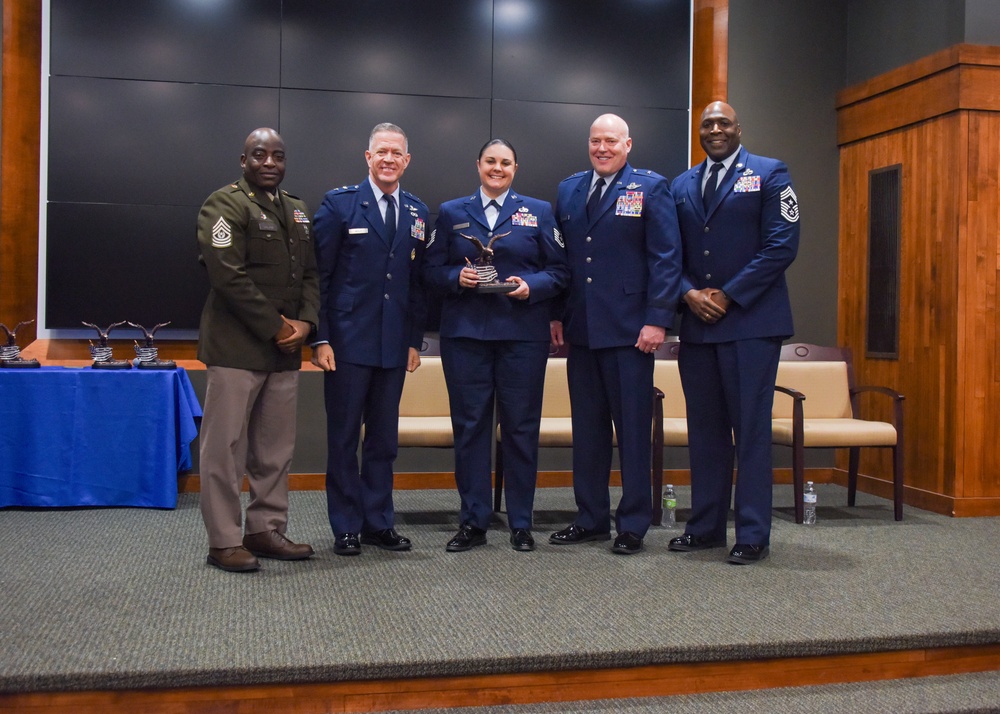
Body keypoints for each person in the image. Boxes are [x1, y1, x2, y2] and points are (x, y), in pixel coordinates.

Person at [668, 101, 800, 565]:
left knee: (750, 433)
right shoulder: (681, 184)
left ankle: (752, 533)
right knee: (704, 434)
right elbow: (669, 254)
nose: (716, 129)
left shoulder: (769, 173)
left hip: (750, 325)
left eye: (724, 122)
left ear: (738, 128)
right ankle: (705, 527)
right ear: (699, 131)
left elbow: (782, 245)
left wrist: (726, 295)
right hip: (698, 329)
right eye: (708, 124)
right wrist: (687, 294)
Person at [423, 139, 569, 552]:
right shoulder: (452, 212)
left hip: (522, 336)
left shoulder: (538, 211)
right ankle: (473, 521)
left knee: (521, 429)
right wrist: (457, 278)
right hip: (466, 337)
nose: (497, 168)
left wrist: (531, 286)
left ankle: (521, 521)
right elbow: (430, 271)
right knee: (470, 430)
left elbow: (560, 271)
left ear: (515, 169)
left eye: (505, 163)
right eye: (491, 161)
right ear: (478, 165)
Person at [549, 114, 683, 554]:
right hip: (582, 331)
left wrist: (658, 318)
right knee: (587, 433)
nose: (602, 148)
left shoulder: (650, 187)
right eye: (595, 141)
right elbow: (564, 261)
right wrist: (556, 314)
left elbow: (666, 257)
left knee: (631, 433)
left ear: (628, 144)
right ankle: (590, 517)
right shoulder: (569, 188)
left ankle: (632, 524)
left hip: (631, 331)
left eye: (611, 141)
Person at [196, 127, 319, 572]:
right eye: (260, 155)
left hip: (284, 351)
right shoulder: (225, 204)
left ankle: (264, 529)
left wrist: (305, 322)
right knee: (225, 449)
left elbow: (310, 275)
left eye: (278, 156)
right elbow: (226, 273)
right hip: (237, 347)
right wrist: (276, 326)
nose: (270, 163)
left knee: (274, 449)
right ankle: (224, 541)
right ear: (243, 160)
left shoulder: (298, 210)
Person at [311, 122, 428, 556]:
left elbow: (417, 286)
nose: (389, 159)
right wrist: (320, 339)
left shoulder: (416, 211)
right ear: (367, 157)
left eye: (396, 153)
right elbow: (318, 280)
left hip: (393, 345)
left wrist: (414, 340)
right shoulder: (339, 206)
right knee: (343, 438)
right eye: (381, 152)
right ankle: (345, 525)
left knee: (383, 440)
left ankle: (378, 522)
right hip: (345, 344)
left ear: (407, 160)